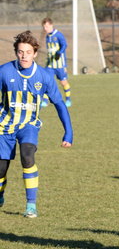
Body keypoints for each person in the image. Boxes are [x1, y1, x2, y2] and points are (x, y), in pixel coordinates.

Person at [0, 31, 73, 218]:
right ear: (16, 52)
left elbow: (59, 104)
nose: (24, 56)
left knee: (27, 156)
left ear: (34, 53)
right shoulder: (4, 71)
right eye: (20, 52)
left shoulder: (44, 76)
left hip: (29, 125)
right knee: (1, 168)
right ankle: (0, 194)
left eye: (28, 52)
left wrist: (68, 132)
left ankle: (31, 205)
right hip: (4, 125)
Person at [41, 17, 72, 108]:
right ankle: (45, 100)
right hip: (50, 65)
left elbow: (64, 45)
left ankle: (68, 99)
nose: (45, 29)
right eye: (44, 27)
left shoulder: (58, 35)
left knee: (63, 82)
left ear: (51, 25)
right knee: (46, 81)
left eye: (46, 26)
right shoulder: (47, 36)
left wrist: (59, 53)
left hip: (60, 64)